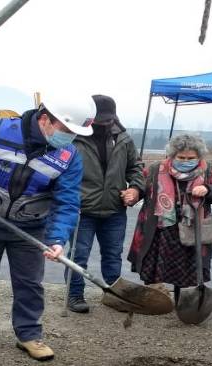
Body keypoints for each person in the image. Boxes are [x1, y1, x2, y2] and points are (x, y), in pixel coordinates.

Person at [0, 97, 94, 361]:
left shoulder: (68, 157)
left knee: (30, 283)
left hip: (32, 227)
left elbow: (67, 201)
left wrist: (58, 238)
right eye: (67, 130)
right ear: (45, 118)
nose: (69, 137)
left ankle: (29, 334)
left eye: (75, 133)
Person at [127, 134, 212, 304]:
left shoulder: (210, 171)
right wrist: (133, 193)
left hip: (192, 231)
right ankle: (154, 300)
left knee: (187, 274)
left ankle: (184, 303)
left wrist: (208, 189)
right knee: (154, 270)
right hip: (160, 231)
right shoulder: (155, 169)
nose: (185, 161)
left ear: (199, 157)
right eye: (181, 157)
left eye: (191, 158)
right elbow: (139, 187)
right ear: (172, 155)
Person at [65, 95, 143, 313]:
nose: (104, 124)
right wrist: (68, 198)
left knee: (113, 254)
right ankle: (74, 295)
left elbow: (136, 167)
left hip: (114, 209)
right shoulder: (72, 138)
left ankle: (113, 294)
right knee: (78, 256)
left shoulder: (124, 138)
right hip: (82, 209)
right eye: (99, 120)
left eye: (108, 120)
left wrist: (135, 189)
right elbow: (59, 170)